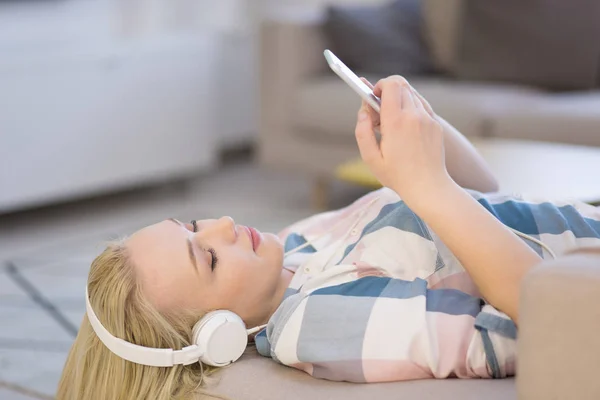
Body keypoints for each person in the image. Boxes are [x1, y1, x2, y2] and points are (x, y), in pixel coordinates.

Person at [57, 77, 600, 399]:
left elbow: (481, 195)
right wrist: (426, 187)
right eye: (209, 259)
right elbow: (549, 317)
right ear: (217, 334)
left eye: (194, 226)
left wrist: (423, 132)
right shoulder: (314, 324)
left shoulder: (298, 244)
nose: (223, 227)